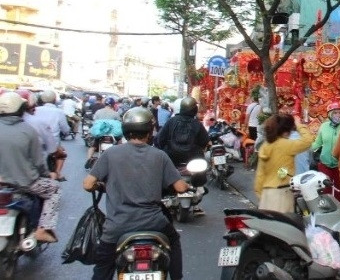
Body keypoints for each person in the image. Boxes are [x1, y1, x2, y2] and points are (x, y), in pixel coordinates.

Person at [83, 107, 187, 280]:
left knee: (103, 267)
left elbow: (88, 185)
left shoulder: (110, 154)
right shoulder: (160, 156)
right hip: (155, 223)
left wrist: (100, 186)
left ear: (125, 130)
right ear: (149, 131)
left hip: (117, 226)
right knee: (174, 242)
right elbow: (181, 188)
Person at [0, 92, 60, 243]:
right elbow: (39, 162)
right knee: (54, 189)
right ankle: (43, 229)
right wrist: (48, 175)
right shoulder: (29, 130)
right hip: (25, 182)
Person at [254, 113, 314, 212]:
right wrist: (298, 124)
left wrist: (260, 195)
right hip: (282, 194)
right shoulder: (286, 145)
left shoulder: (266, 146)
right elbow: (308, 141)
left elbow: (260, 174)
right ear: (286, 131)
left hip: (266, 194)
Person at [157, 97, 209, 166]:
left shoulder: (171, 121)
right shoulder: (197, 123)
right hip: (192, 158)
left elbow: (160, 139)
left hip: (172, 157)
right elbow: (204, 140)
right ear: (194, 109)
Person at [32, 91, 71, 181]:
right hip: (53, 143)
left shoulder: (36, 110)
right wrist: (66, 133)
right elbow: (65, 129)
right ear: (54, 100)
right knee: (62, 154)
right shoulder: (59, 112)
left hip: (36, 140)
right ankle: (57, 172)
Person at [312, 102, 340, 203]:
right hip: (325, 164)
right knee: (325, 190)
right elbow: (318, 143)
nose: (338, 115)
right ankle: (327, 211)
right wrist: (305, 147)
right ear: (329, 114)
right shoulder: (324, 126)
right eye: (335, 113)